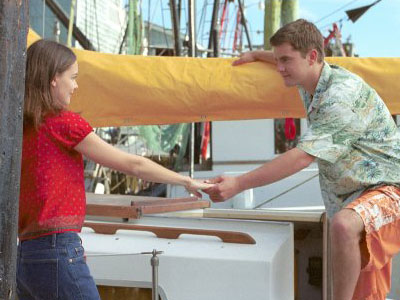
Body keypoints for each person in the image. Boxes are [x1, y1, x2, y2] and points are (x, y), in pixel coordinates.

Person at [204, 19, 400, 300]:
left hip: (389, 194)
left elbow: (300, 158)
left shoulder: (339, 97)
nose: (280, 67)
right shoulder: (310, 79)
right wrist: (257, 56)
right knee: (367, 293)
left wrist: (238, 183)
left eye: (286, 60)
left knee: (343, 226)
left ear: (312, 57)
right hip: (357, 201)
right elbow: (282, 58)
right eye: (278, 59)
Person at [18, 39, 211, 300]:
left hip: (25, 256)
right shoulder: (65, 124)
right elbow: (133, 164)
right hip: (57, 249)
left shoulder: (20, 129)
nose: (75, 86)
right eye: (73, 78)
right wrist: (185, 181)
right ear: (54, 78)